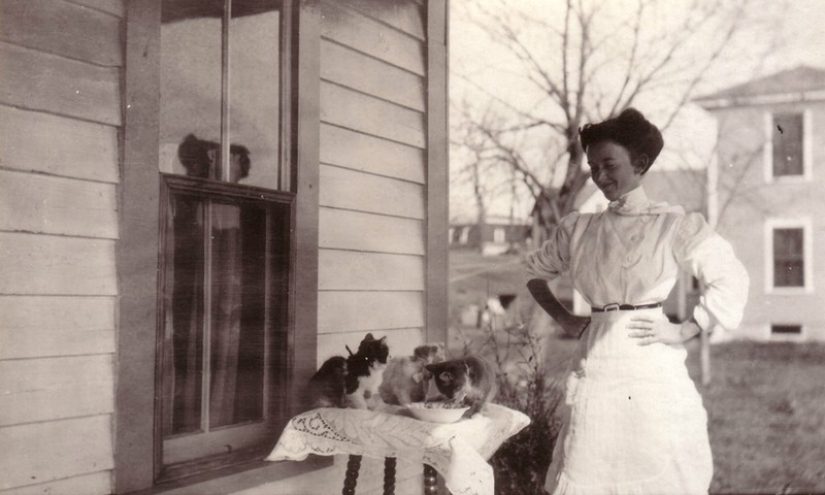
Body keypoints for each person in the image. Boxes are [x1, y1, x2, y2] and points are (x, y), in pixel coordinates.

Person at [525, 108, 749, 495]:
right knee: (591, 456)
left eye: (609, 164)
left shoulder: (671, 225)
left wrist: (687, 328)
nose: (599, 176)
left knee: (655, 461)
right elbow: (533, 274)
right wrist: (564, 318)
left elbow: (730, 276)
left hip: (649, 358)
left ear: (640, 163)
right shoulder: (580, 228)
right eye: (593, 167)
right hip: (597, 358)